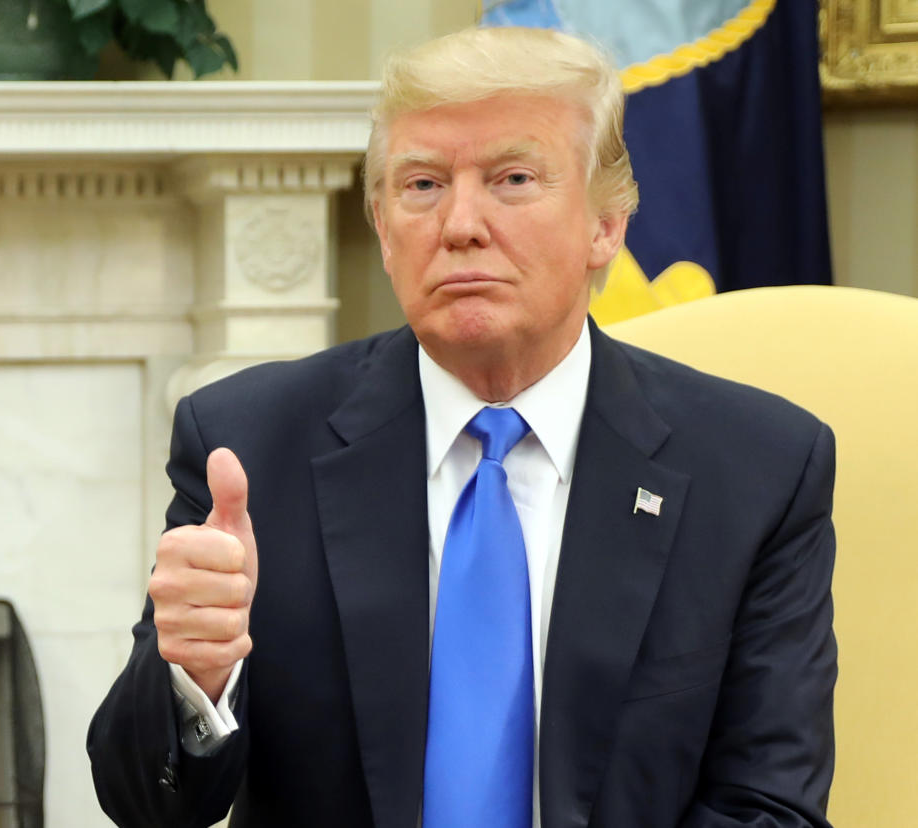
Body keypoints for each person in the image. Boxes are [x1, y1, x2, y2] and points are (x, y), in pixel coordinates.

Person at [87, 25, 836, 828]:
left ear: (606, 225)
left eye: (512, 178)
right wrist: (195, 677)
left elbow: (769, 807)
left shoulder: (756, 469)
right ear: (380, 223)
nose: (460, 224)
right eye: (422, 185)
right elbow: (146, 805)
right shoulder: (249, 446)